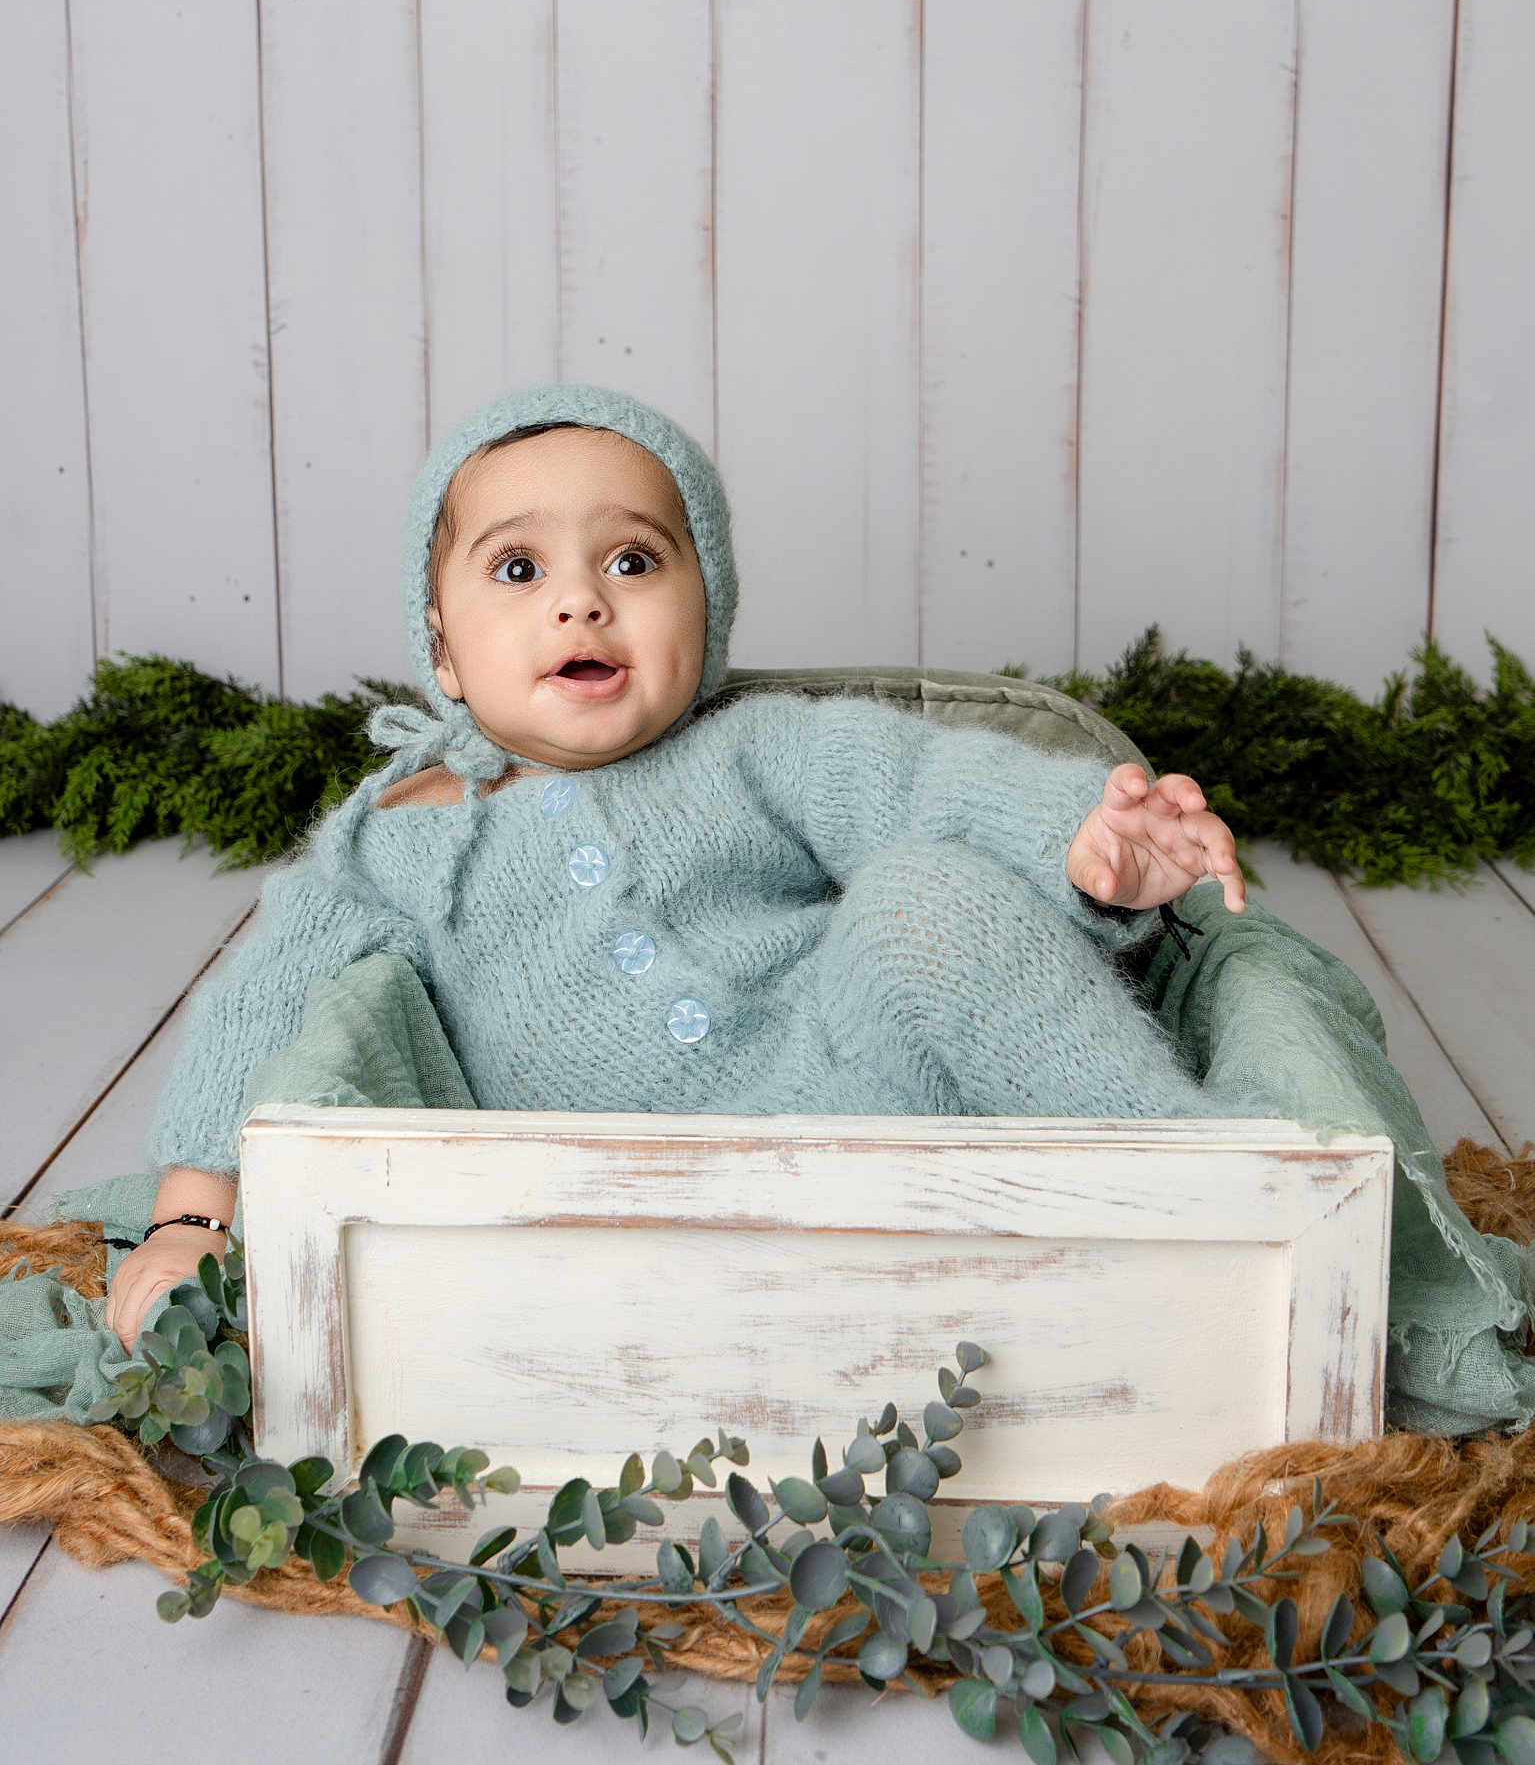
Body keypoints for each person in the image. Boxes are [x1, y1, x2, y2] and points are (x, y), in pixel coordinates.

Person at [105, 383, 1251, 1350]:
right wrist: (191, 1223)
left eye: (632, 559)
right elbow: (261, 1006)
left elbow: (922, 781)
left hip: (875, 1098)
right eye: (515, 569)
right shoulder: (389, 840)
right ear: (442, 651)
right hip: (617, 1225)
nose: (578, 598)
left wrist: (1090, 840)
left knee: (926, 892)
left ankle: (1217, 1206)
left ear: (709, 612)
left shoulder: (753, 748)